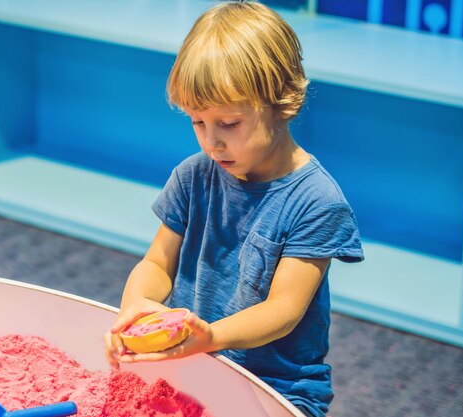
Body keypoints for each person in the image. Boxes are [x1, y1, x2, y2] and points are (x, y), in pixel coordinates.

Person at [104, 2, 364, 416]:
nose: (212, 143)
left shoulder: (317, 201)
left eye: (228, 123)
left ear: (282, 101)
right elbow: (157, 263)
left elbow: (283, 311)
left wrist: (210, 336)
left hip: (277, 386)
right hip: (195, 366)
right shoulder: (194, 175)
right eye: (197, 122)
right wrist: (136, 303)